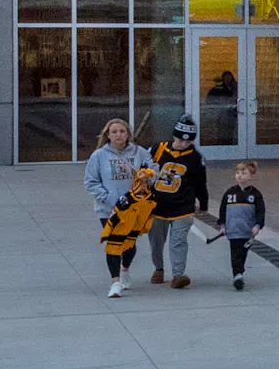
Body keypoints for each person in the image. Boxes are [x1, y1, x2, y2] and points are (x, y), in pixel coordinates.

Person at [83, 117, 155, 300]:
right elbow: (91, 182)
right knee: (114, 243)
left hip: (134, 209)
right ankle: (115, 283)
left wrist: (148, 177)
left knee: (128, 245)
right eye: (114, 132)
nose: (118, 135)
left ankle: (125, 270)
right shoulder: (99, 155)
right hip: (109, 209)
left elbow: (154, 172)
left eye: (122, 131)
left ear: (128, 134)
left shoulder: (139, 152)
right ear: (107, 134)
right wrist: (110, 200)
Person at [146, 117, 211, 286]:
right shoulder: (157, 149)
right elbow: (143, 170)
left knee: (179, 240)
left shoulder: (196, 158)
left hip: (183, 205)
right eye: (181, 140)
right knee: (156, 240)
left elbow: (201, 183)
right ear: (174, 136)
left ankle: (178, 274)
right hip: (157, 204)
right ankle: (158, 268)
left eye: (188, 142)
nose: (183, 144)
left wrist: (203, 204)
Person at [217, 163, 268, 290]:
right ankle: (237, 275)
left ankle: (239, 272)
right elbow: (222, 209)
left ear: (251, 176)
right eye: (238, 173)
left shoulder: (255, 194)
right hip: (233, 230)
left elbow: (260, 211)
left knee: (242, 253)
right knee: (235, 252)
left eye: (243, 173)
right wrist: (222, 225)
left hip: (247, 231)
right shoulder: (230, 193)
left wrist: (257, 225)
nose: (240, 176)